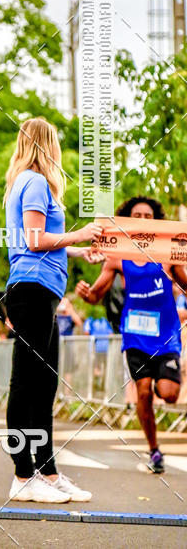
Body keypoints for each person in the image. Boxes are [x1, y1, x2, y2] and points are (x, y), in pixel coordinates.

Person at [3, 117, 102, 503]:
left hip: (42, 291)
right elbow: (33, 238)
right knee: (26, 381)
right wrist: (78, 234)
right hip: (31, 289)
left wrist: (77, 250)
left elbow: (43, 240)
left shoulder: (24, 183)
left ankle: (47, 469)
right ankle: (22, 474)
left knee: (44, 383)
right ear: (49, 146)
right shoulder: (34, 181)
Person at [76, 195, 187, 474]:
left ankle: (165, 381)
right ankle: (154, 450)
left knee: (169, 393)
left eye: (149, 217)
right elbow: (96, 295)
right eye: (137, 215)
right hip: (135, 334)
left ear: (156, 222)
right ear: (128, 219)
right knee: (143, 391)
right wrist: (86, 293)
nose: (143, 220)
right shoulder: (116, 257)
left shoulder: (167, 255)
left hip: (166, 333)